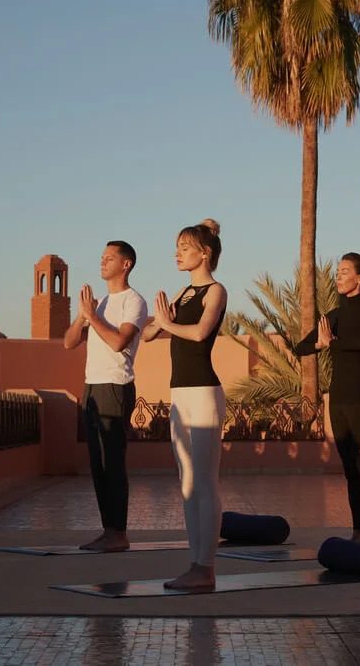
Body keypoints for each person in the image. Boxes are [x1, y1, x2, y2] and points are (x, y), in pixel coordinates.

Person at [142, 219, 227, 590]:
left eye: (185, 247)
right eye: (177, 247)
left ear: (204, 253)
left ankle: (205, 568)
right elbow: (147, 335)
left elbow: (199, 333)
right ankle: (194, 565)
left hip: (204, 392)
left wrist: (167, 323)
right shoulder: (182, 294)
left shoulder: (215, 291)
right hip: (180, 393)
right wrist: (162, 321)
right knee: (187, 481)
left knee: (205, 481)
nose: (177, 253)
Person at [63, 241, 148, 552]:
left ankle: (119, 533)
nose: (102, 262)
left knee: (113, 462)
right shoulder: (97, 306)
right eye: (101, 257)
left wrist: (93, 318)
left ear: (125, 264)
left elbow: (118, 342)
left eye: (109, 258)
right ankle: (107, 530)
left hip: (115, 386)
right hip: (91, 387)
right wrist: (82, 317)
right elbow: (69, 343)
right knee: (97, 464)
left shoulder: (134, 302)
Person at [294, 253, 360, 543]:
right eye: (338, 272)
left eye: (345, 271)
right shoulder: (332, 316)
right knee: (350, 469)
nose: (339, 276)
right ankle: (357, 529)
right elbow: (301, 346)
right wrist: (319, 344)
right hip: (339, 401)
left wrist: (332, 342)